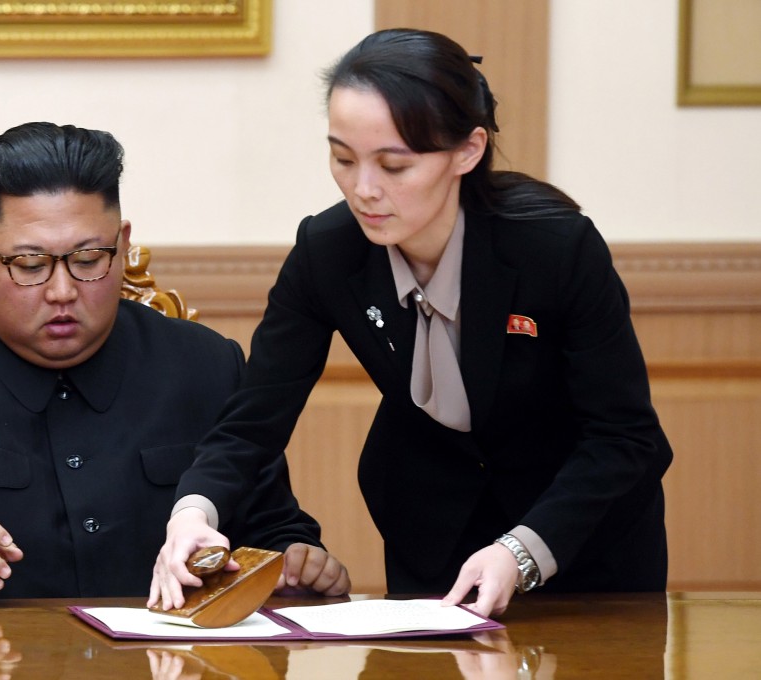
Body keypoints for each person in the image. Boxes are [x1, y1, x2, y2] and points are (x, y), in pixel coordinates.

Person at [150, 29, 672, 618]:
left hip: (581, 538)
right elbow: (252, 424)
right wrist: (192, 514)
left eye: (394, 165)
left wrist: (522, 551)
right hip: (433, 530)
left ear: (468, 152)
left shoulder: (556, 250)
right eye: (343, 159)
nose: (363, 190)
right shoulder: (327, 252)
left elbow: (623, 435)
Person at [0, 122, 350, 602]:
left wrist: (299, 558)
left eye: (89, 259)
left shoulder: (206, 365)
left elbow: (273, 527)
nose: (63, 291)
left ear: (123, 246)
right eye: (30, 264)